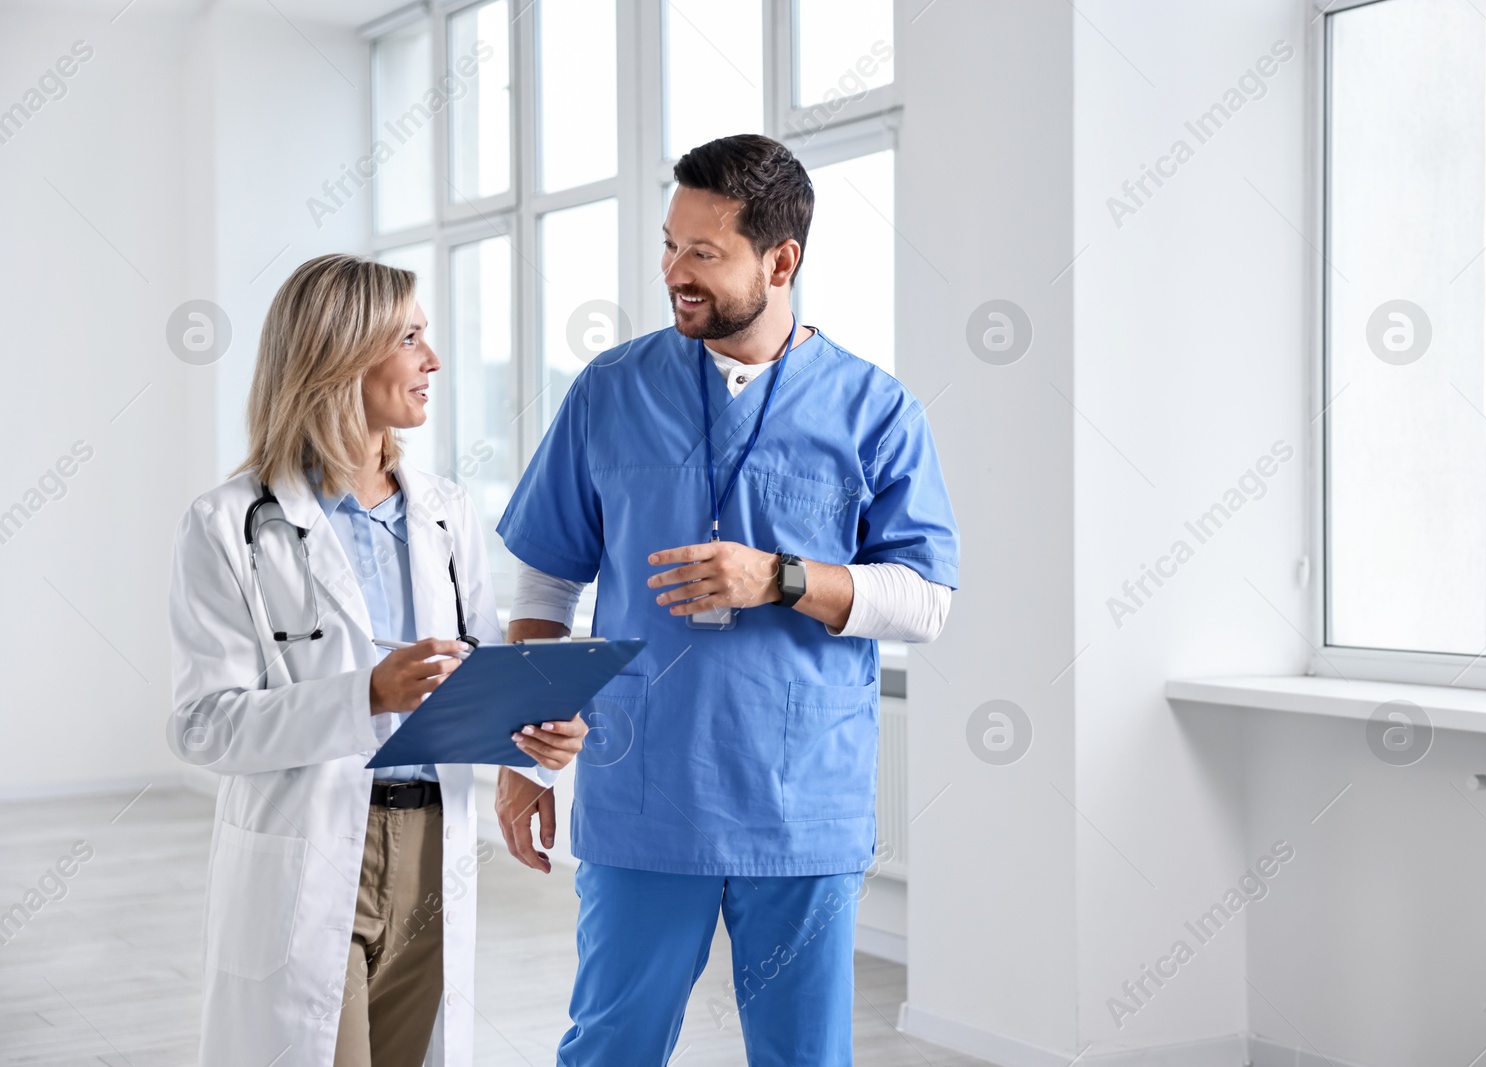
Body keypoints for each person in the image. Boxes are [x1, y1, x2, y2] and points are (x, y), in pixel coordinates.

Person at [494, 134, 960, 1065]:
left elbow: (924, 601)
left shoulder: (875, 409)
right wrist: (526, 752)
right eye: (670, 245)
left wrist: (780, 577)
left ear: (781, 260)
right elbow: (549, 571)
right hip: (643, 789)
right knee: (610, 1046)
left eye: (703, 253)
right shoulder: (611, 389)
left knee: (802, 1056)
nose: (675, 273)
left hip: (801, 802)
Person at [167, 253, 587, 1067]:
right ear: (340, 353)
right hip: (313, 848)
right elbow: (202, 725)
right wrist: (364, 693)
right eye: (411, 337)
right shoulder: (228, 524)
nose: (432, 360)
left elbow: (482, 672)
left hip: (431, 844)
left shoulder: (445, 512)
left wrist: (537, 732)